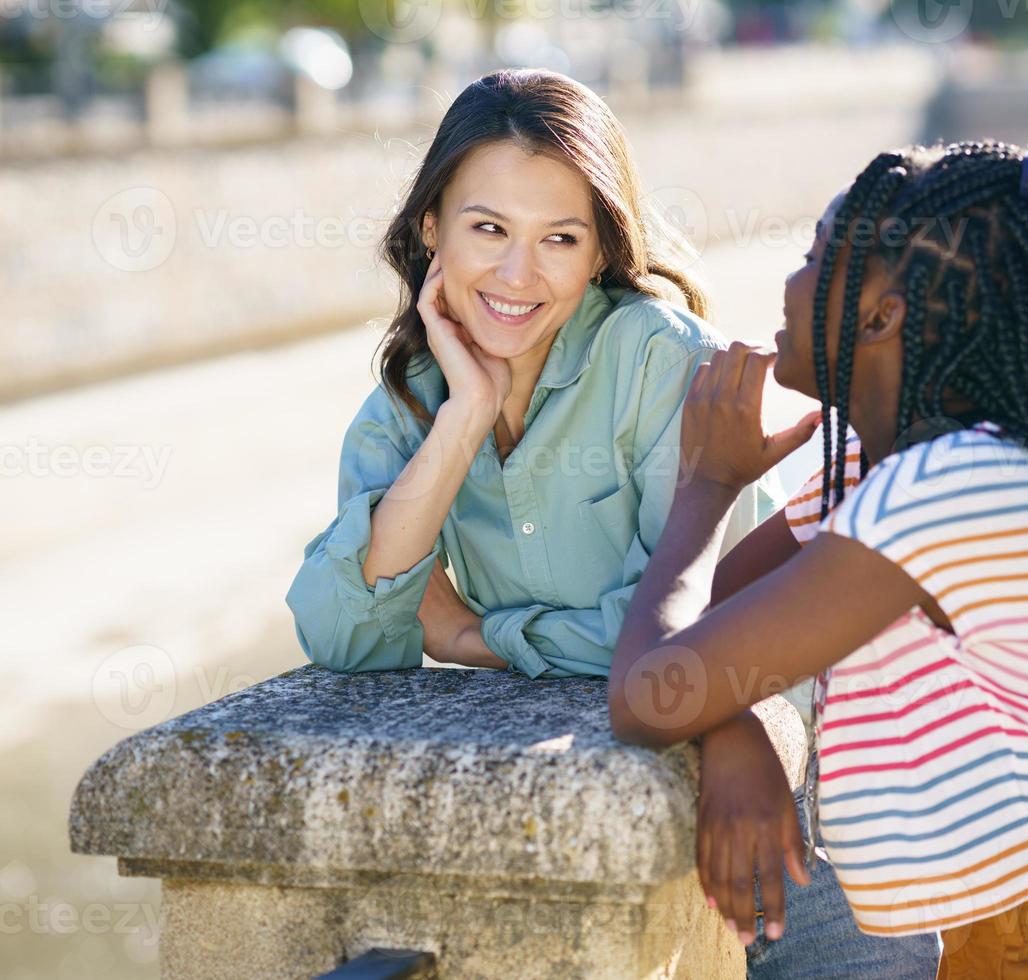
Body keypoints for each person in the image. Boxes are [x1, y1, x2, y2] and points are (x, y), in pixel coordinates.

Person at [284, 68, 939, 979]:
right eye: (487, 230)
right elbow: (341, 633)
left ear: (600, 253)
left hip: (797, 821)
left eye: (560, 237)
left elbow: (690, 644)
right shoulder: (410, 401)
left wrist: (478, 637)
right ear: (431, 229)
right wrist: (465, 416)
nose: (518, 274)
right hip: (610, 826)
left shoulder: (663, 362)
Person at [609, 140, 1028, 978]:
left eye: (817, 258)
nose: (790, 279)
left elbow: (648, 693)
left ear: (883, 316)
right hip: (1013, 946)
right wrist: (736, 727)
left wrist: (705, 486)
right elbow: (703, 655)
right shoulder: (875, 472)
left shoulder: (952, 485)